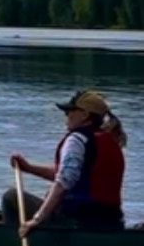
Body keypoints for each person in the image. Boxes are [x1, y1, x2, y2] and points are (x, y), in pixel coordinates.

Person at [8, 90, 126, 234]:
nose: (66, 115)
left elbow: (63, 182)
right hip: (111, 222)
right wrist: (29, 168)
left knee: (11, 197)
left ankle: (15, 242)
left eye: (70, 111)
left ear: (84, 115)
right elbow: (72, 175)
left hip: (76, 221)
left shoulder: (76, 140)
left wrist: (37, 218)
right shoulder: (110, 140)